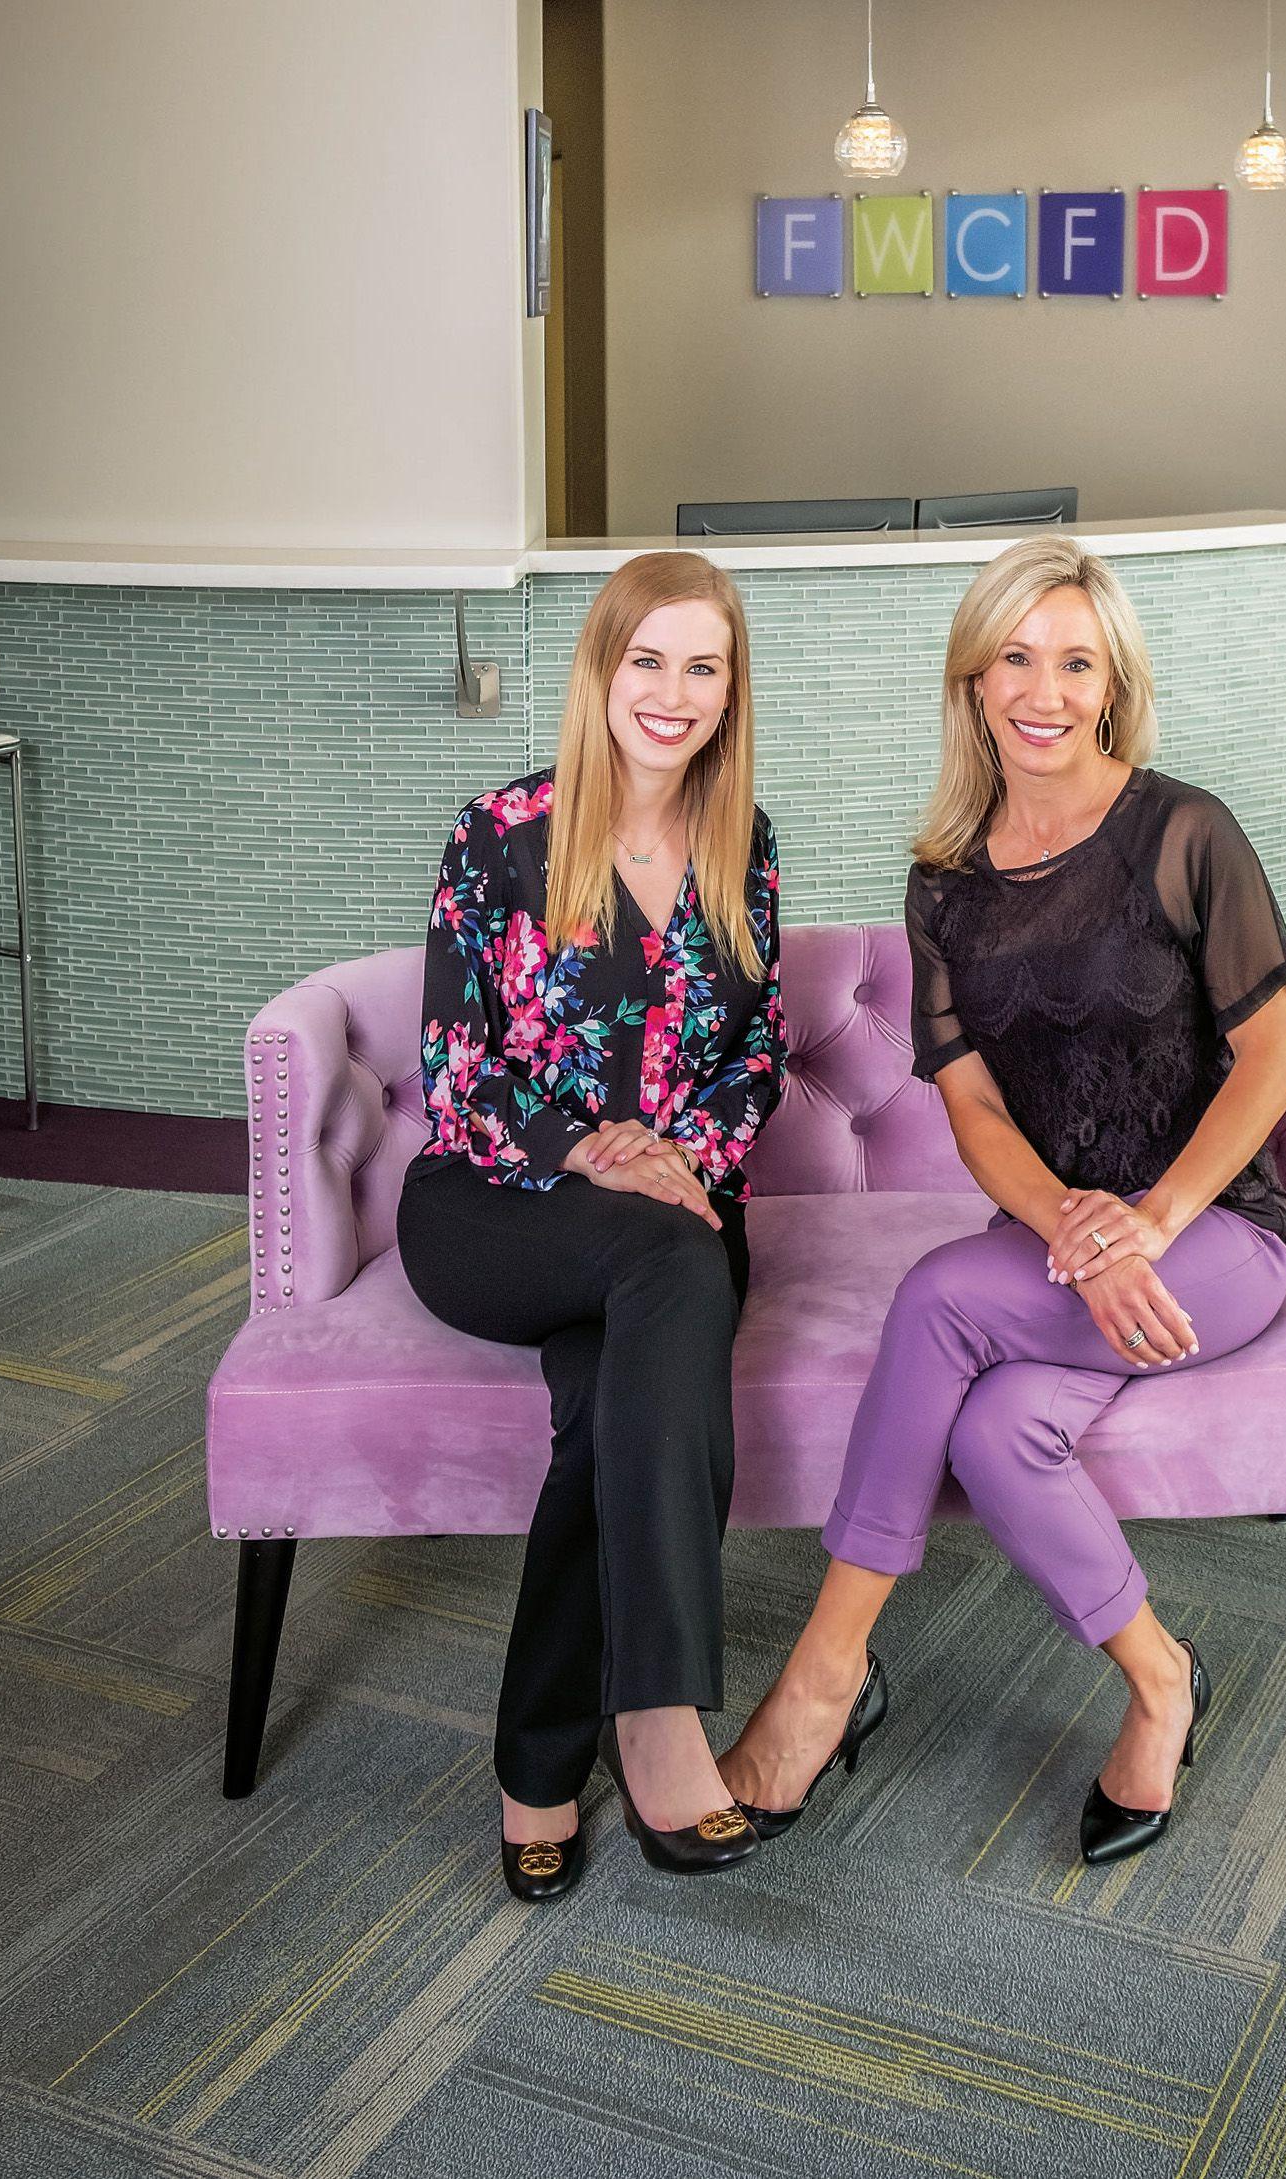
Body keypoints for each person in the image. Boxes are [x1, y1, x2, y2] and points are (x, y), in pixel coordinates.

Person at [720, 536, 1286, 1868]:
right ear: (974, 681)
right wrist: (1066, 1227)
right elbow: (976, 1110)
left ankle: (823, 1676)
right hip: (1048, 1241)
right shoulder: (945, 881)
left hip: (1213, 1230)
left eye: (1076, 663)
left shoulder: (1185, 831)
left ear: (1113, 685)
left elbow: (1273, 1059)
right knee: (995, 1436)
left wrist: (1146, 1221)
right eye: (1016, 659)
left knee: (935, 1300)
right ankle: (1162, 1678)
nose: (1045, 692)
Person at [396, 550, 785, 1898]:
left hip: (675, 1208)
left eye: (703, 666)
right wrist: (587, 1150)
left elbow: (757, 1055)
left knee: (607, 1400)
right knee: (676, 1253)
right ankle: (661, 1722)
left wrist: (681, 1156)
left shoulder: (744, 840)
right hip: (498, 1207)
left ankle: (541, 1756)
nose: (672, 692)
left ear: (730, 689)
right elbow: (455, 1069)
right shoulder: (500, 832)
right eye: (647, 660)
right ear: (601, 672)